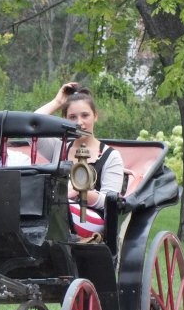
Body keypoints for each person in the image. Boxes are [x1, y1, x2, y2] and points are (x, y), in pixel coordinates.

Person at [35, 82, 124, 237]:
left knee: (54, 205)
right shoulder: (59, 147)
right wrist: (57, 102)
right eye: (72, 117)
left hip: (91, 221)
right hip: (57, 213)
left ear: (95, 116)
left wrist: (78, 191)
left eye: (85, 115)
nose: (79, 123)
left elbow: (109, 202)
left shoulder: (110, 156)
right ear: (64, 120)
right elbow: (33, 128)